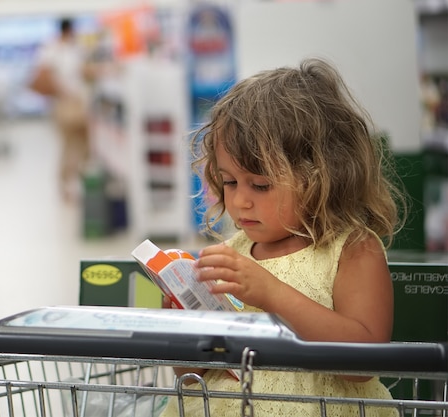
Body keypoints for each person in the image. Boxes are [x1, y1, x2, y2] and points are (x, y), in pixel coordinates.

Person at [160, 58, 407, 417]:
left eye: (260, 185)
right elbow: (194, 374)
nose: (240, 200)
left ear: (323, 175)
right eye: (229, 182)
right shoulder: (230, 256)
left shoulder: (351, 251)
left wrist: (272, 293)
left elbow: (362, 361)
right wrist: (184, 326)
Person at [32, 17, 94, 202]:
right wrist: (65, 93)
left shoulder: (74, 49)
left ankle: (80, 182)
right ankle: (65, 186)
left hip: (80, 102)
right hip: (65, 104)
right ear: (69, 30)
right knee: (68, 145)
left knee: (84, 145)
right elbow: (45, 75)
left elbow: (83, 71)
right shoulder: (52, 49)